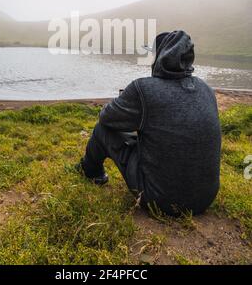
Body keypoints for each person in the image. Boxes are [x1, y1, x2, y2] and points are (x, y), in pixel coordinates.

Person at [78, 30, 221, 216]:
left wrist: (126, 101)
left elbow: (107, 118)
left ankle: (92, 173)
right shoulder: (207, 89)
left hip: (160, 200)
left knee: (101, 130)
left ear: (160, 57)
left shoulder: (143, 88)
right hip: (205, 199)